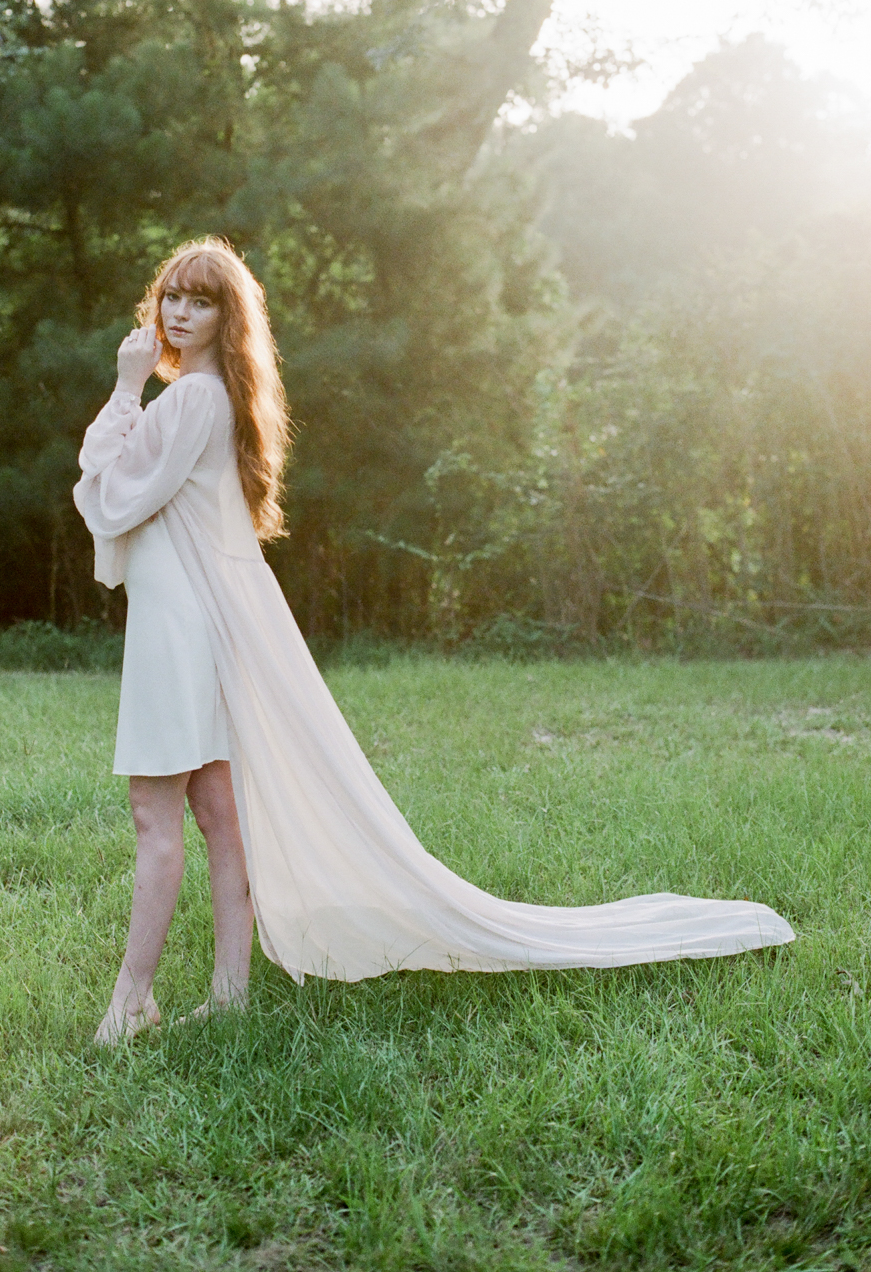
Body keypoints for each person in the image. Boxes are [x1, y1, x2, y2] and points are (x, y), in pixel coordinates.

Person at [74, 238, 794, 1046]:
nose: (178, 310)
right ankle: (230, 989)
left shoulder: (189, 400)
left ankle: (133, 1000)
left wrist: (126, 383)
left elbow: (108, 497)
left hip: (178, 625)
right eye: (172, 293)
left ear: (223, 315)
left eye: (200, 299)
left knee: (155, 812)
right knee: (216, 810)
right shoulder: (212, 399)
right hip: (195, 617)